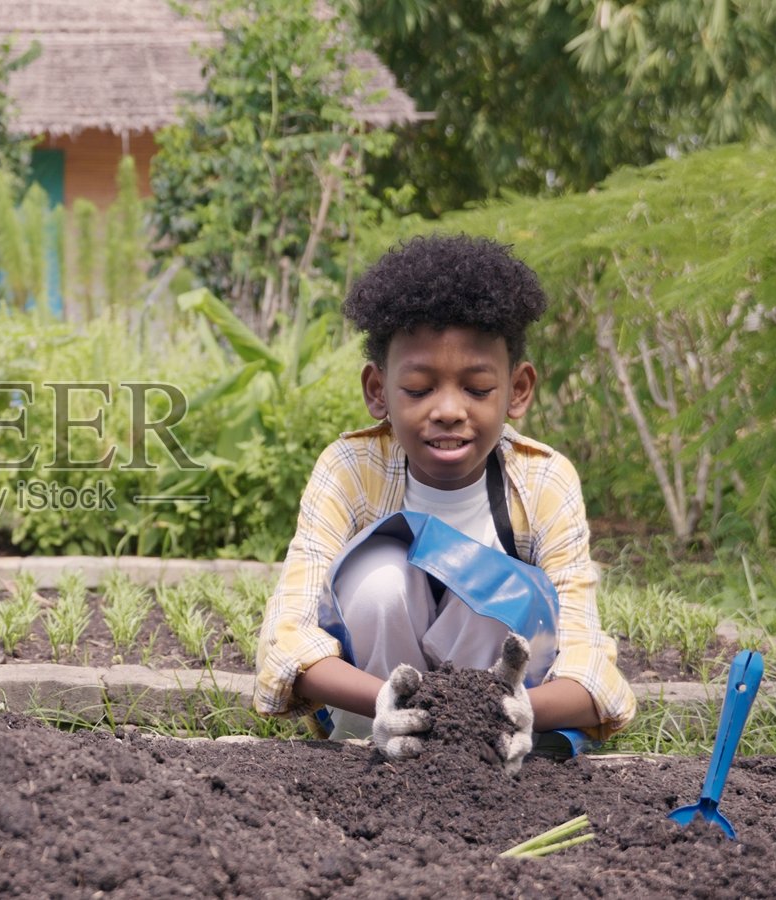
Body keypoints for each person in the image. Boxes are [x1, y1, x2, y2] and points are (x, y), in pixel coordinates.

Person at [253, 234, 635, 771]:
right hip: (371, 724)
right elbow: (285, 639)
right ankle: (387, 750)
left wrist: (513, 710)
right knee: (380, 578)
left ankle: (468, 762)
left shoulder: (544, 482)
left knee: (500, 588)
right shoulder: (350, 470)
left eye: (478, 389)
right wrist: (386, 702)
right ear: (378, 390)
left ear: (517, 390)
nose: (449, 410)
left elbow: (591, 668)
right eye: (418, 388)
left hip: (494, 732)